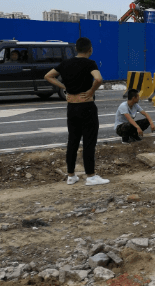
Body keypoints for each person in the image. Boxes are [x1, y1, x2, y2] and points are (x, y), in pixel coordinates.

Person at [44, 37, 109, 186]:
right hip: (87, 107)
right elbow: (98, 79)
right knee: (88, 142)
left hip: (72, 107)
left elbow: (48, 76)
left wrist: (64, 87)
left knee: (72, 141)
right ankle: (91, 176)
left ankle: (71, 175)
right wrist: (91, 91)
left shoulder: (65, 63)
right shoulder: (90, 63)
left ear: (76, 49)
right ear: (90, 49)